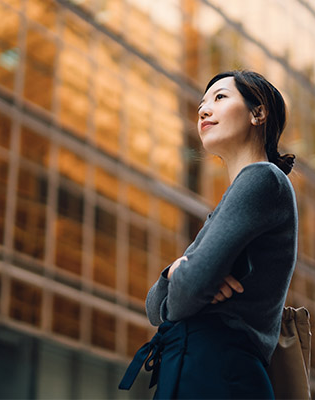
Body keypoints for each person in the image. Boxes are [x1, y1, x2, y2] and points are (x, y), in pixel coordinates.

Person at [119, 70, 298, 399]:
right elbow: (154, 306)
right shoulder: (235, 197)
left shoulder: (262, 179)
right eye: (202, 103)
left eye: (220, 98)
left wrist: (189, 277)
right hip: (202, 367)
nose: (203, 109)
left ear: (258, 113)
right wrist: (176, 272)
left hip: (217, 371)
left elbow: (189, 289)